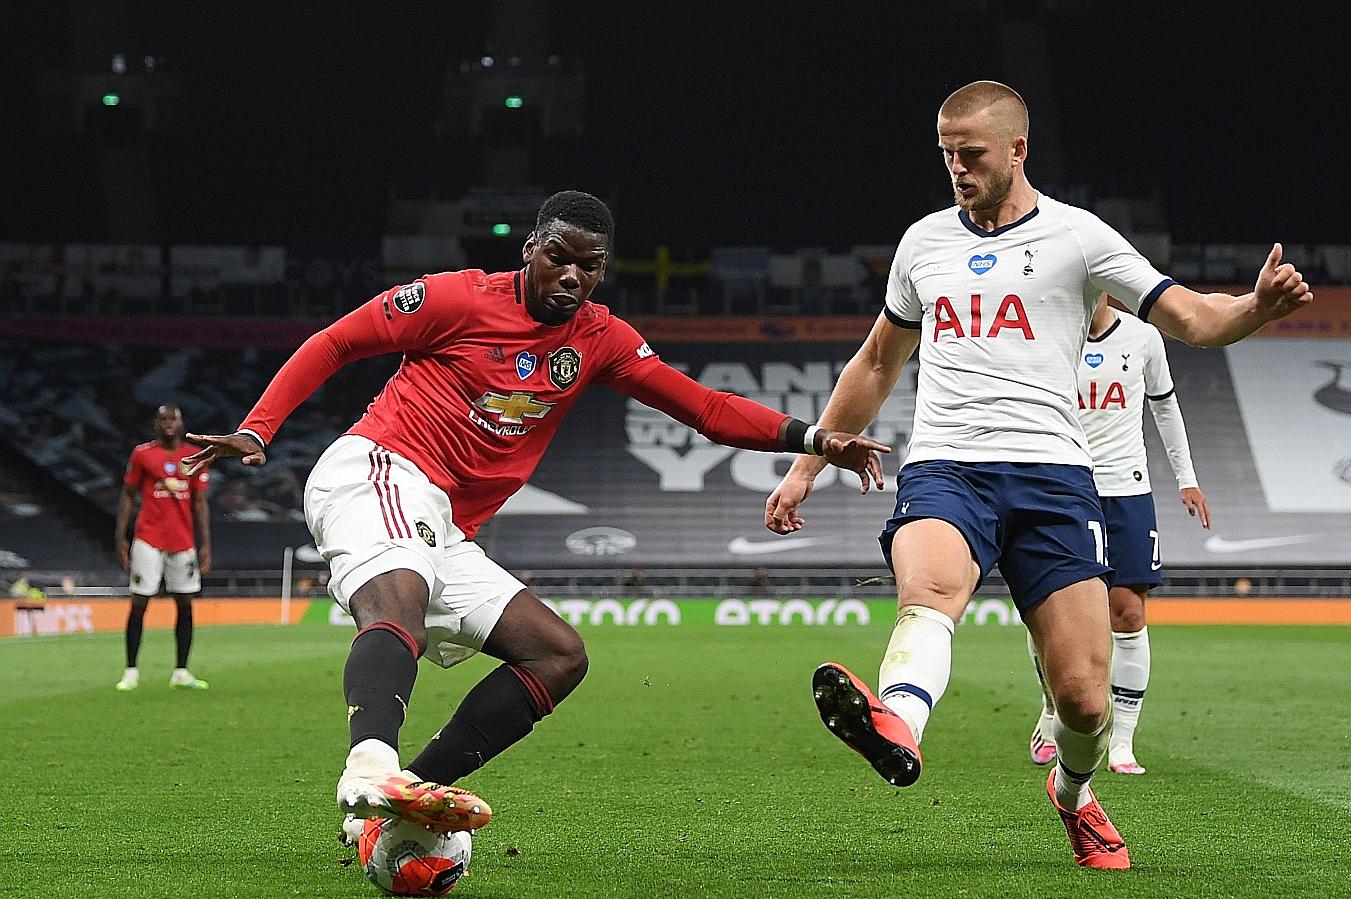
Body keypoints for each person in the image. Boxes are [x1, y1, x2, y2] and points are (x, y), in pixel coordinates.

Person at [187, 191, 889, 835]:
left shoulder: (598, 338)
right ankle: (368, 769)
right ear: (530, 249)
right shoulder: (455, 299)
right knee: (397, 596)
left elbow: (702, 407)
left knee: (557, 655)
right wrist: (259, 428)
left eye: (590, 266)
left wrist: (816, 438)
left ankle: (404, 799)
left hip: (446, 525)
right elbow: (336, 341)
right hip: (379, 468)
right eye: (559, 257)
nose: (572, 277)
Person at [765, 81, 1310, 870]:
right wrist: (809, 462)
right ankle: (897, 726)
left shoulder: (1079, 238)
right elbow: (879, 361)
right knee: (930, 593)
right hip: (947, 463)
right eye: (946, 154)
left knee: (1084, 702)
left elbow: (1194, 319)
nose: (956, 167)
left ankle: (1073, 794)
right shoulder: (923, 244)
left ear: (1018, 150)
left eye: (972, 154)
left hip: (1055, 477)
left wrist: (1258, 306)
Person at [1028, 296, 1211, 776]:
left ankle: (1123, 741)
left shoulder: (1143, 339)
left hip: (1126, 490)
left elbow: (1166, 409)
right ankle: (1052, 709)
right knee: (1051, 614)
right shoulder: (1045, 332)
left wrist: (1186, 477)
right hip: (1063, 486)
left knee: (1128, 611)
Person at [115, 404, 213, 691]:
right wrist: (121, 536)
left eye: (173, 419)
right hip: (148, 538)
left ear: (181, 424)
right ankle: (131, 670)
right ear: (155, 425)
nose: (168, 424)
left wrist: (205, 544)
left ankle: (181, 671)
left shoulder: (193, 457)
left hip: (182, 541)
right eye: (162, 420)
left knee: (185, 603)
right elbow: (128, 495)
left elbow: (199, 502)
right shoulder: (143, 454)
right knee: (140, 602)